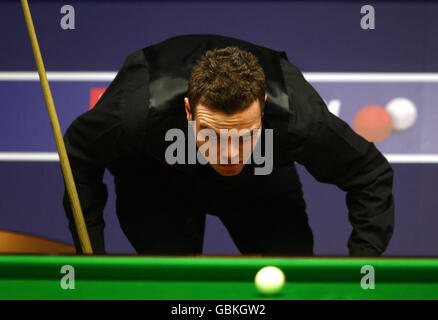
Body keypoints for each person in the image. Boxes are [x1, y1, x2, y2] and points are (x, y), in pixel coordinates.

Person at [62, 34, 394, 256]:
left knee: (290, 276)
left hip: (259, 181)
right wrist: (90, 257)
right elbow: (78, 156)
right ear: (189, 110)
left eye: (245, 135)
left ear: (263, 107)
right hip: (156, 180)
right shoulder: (135, 113)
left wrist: (359, 270)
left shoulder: (299, 119)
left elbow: (370, 175)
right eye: (213, 135)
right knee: (173, 291)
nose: (229, 154)